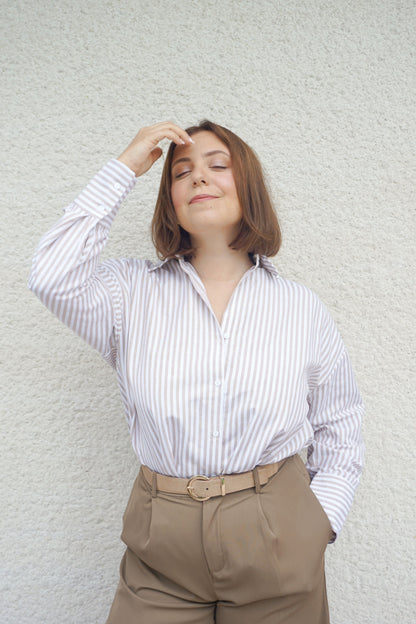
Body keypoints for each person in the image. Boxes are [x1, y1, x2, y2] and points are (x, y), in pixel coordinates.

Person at [29, 120, 365, 624]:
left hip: (277, 533)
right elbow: (50, 274)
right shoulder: (127, 292)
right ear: (170, 200)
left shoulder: (301, 307)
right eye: (181, 173)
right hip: (160, 545)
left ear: (247, 184)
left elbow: (341, 424)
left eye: (218, 166)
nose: (197, 178)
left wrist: (320, 523)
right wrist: (125, 167)